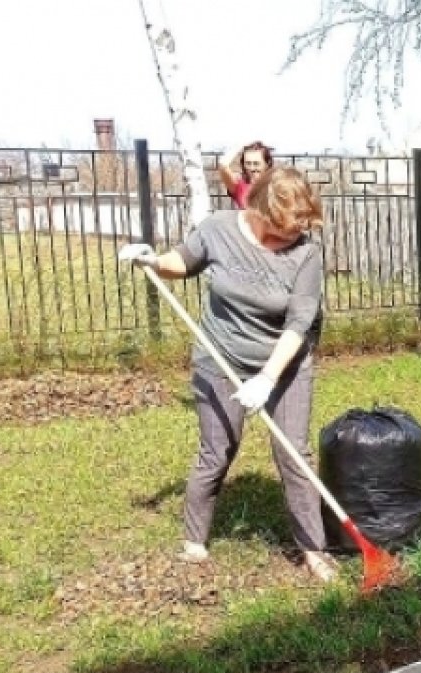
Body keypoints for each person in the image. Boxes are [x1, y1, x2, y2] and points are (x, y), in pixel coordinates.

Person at [118, 167, 338, 581]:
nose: (288, 241)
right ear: (256, 211)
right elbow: (183, 261)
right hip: (220, 357)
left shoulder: (306, 253)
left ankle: (313, 549)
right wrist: (152, 259)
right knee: (218, 449)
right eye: (280, 232)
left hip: (285, 362)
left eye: (296, 232)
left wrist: (268, 377)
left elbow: (300, 322)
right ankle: (194, 541)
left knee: (294, 453)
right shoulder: (218, 229)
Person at [218, 141, 273, 210]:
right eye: (248, 163)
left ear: (267, 164)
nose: (252, 168)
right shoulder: (239, 185)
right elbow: (222, 165)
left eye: (256, 163)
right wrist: (239, 144)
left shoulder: (275, 184)